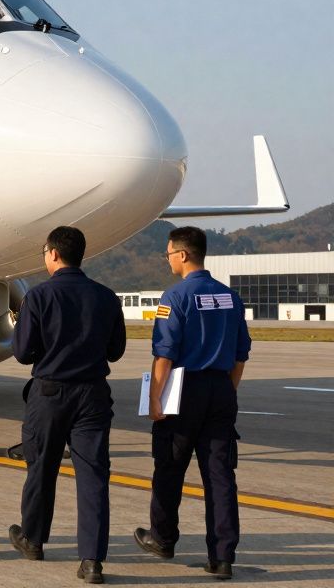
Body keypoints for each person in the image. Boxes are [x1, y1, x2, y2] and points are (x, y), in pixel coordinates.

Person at [8, 226, 125, 585]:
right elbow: (115, 352)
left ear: (54, 254)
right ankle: (91, 560)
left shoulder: (39, 297)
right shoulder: (106, 297)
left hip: (50, 394)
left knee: (41, 468)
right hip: (92, 394)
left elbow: (22, 352)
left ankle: (33, 539)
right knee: (93, 476)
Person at [133, 226, 250, 581]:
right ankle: (222, 556)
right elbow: (241, 355)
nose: (168, 259)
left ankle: (163, 538)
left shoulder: (175, 297)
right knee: (220, 476)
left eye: (169, 254)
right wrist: (226, 391)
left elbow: (164, 354)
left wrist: (155, 398)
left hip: (183, 392)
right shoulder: (231, 297)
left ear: (183, 255)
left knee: (169, 467)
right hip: (220, 389)